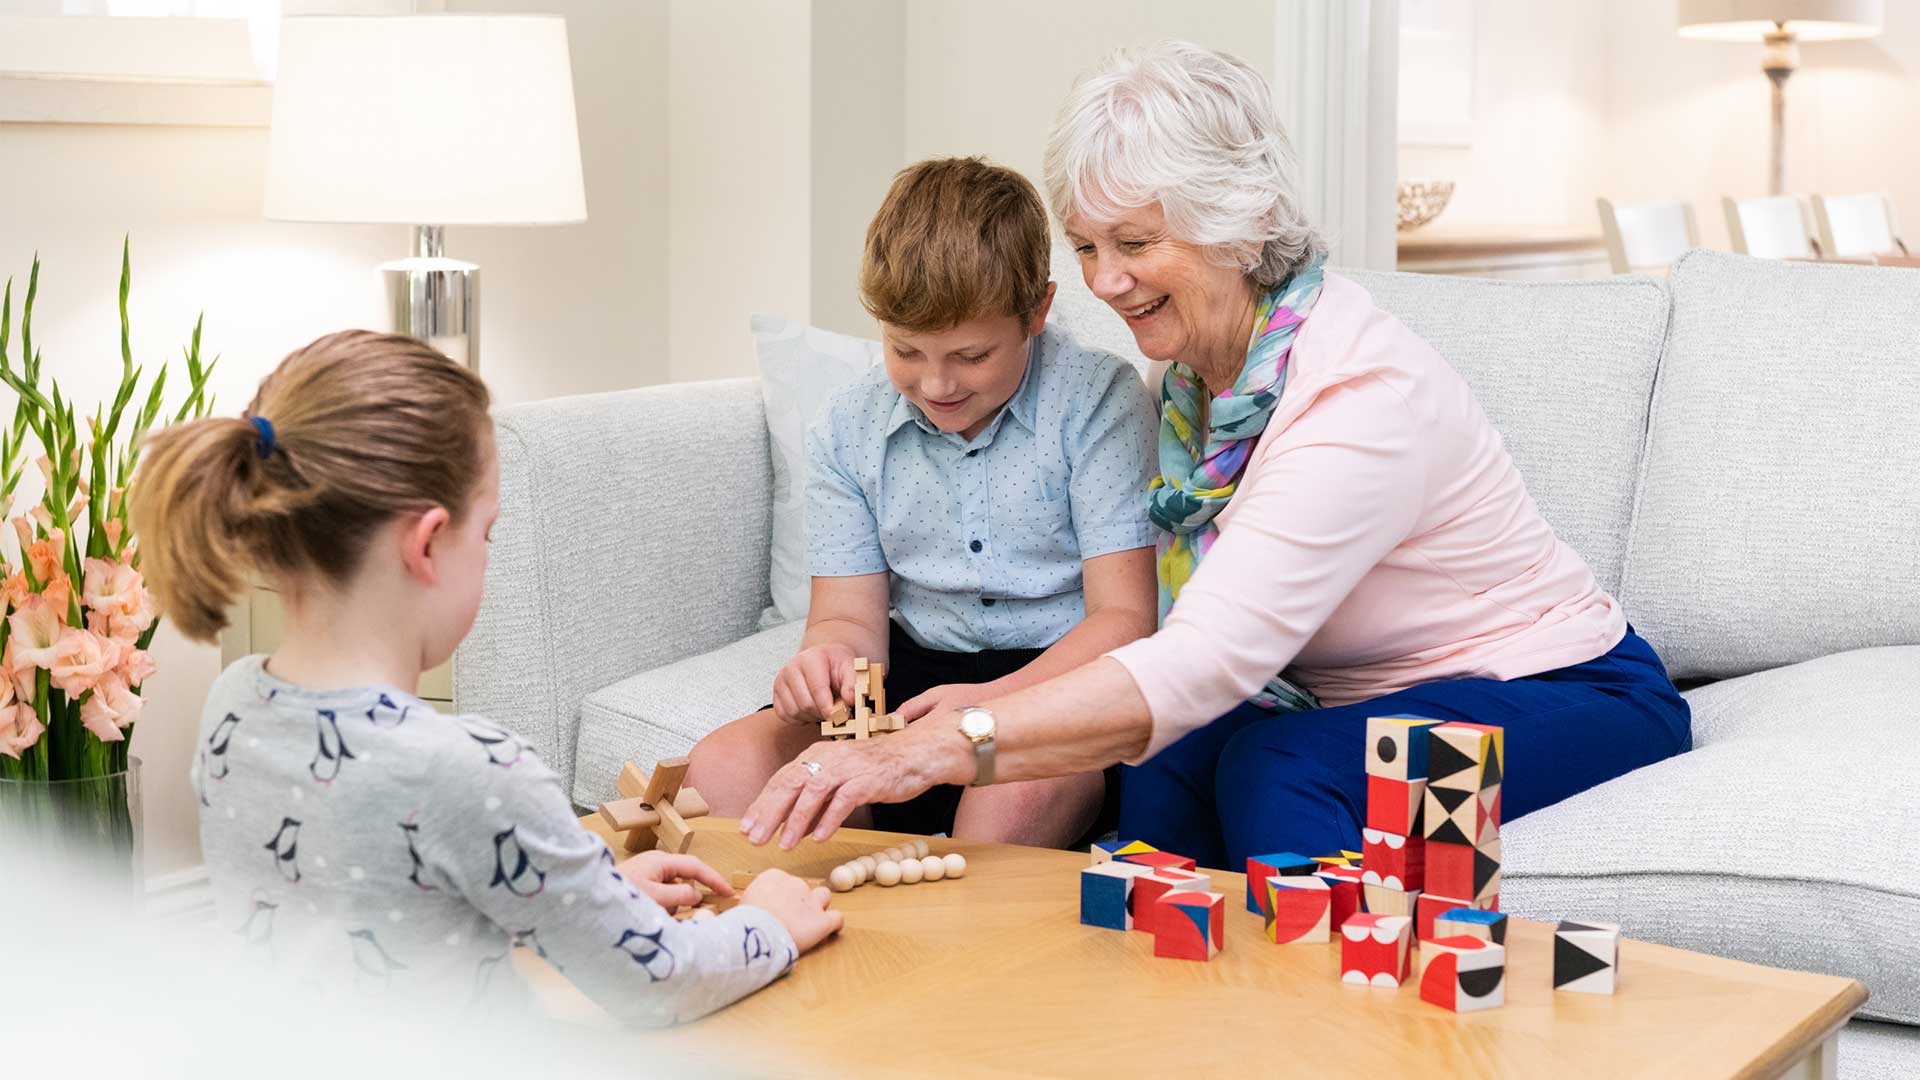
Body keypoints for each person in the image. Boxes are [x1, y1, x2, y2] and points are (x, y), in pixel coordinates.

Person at [737, 42, 1691, 869]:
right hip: (1349, 695)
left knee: (1278, 766)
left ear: (1239, 220)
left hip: (1563, 694)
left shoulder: (1358, 400)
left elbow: (1204, 659)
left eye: (1134, 242)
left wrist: (945, 744)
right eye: (1087, 247)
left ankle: (1319, 1004)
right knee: (1165, 767)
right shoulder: (1198, 383)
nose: (1105, 282)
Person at [130, 331, 840, 1025]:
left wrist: (584, 899)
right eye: (487, 532)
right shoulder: (472, 768)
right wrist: (768, 922)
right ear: (427, 544)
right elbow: (661, 981)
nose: (488, 554)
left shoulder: (234, 703)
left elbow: (379, 905)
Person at [685, 157, 1159, 847]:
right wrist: (825, 664)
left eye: (971, 355)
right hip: (908, 690)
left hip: (1052, 686)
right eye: (906, 350)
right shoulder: (849, 425)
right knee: (723, 766)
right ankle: (815, 907)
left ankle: (952, 909)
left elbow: (1124, 621)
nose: (937, 385)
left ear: (1037, 311)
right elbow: (847, 620)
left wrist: (988, 704)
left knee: (1019, 790)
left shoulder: (1098, 401)